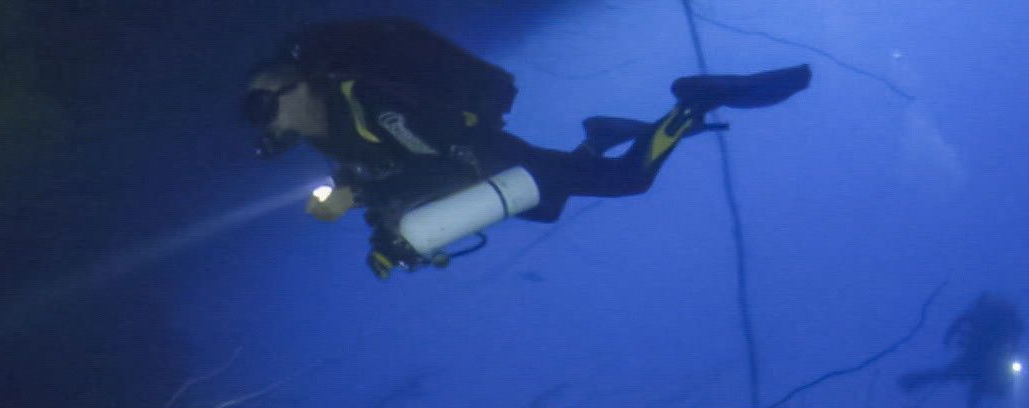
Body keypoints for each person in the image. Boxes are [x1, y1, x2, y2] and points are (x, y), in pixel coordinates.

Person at [241, 19, 813, 279]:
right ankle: (598, 135)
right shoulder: (333, 128)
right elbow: (390, 167)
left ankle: (691, 103)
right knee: (568, 179)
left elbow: (430, 155)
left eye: (262, 106)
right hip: (488, 164)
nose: (262, 123)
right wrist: (358, 197)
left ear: (296, 87)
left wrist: (387, 215)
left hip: (487, 160)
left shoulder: (366, 99)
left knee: (627, 181)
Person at [898, 293, 1026, 408]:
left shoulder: (984, 313)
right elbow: (1016, 336)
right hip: (990, 353)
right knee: (984, 377)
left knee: (952, 373)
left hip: (976, 351)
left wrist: (948, 338)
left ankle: (913, 380)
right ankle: (977, 390)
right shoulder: (1007, 317)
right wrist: (1014, 352)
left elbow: (959, 321)